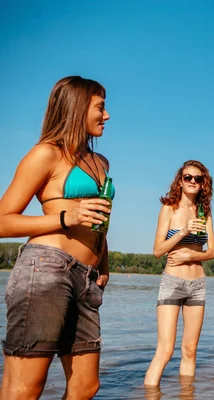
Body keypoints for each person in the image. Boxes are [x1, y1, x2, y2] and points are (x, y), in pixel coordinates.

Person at [0, 76, 112, 399]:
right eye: (100, 108)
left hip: (87, 277)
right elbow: (4, 221)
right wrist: (66, 217)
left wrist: (103, 260)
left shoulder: (100, 162)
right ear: (77, 107)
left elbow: (101, 218)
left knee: (86, 386)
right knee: (26, 386)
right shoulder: (46, 154)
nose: (107, 116)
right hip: (46, 269)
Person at [144, 160, 214, 386]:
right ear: (181, 181)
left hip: (198, 285)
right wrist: (183, 231)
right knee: (165, 350)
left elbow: (212, 251)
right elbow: (157, 250)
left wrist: (191, 256)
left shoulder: (205, 212)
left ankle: (186, 394)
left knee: (190, 350)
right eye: (188, 178)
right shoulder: (169, 208)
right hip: (173, 281)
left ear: (204, 184)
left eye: (198, 178)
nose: (193, 181)